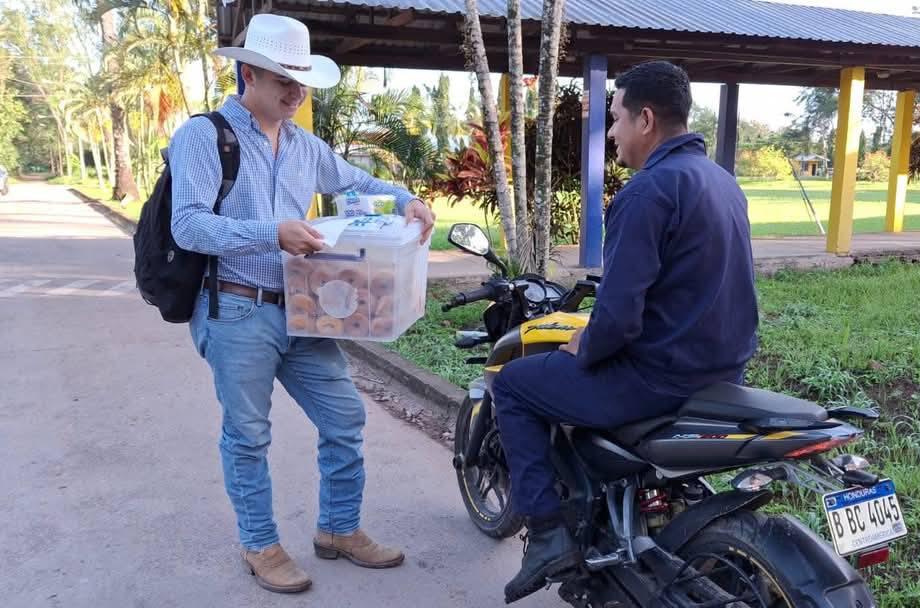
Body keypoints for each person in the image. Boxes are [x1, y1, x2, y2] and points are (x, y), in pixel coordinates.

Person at [169, 14, 434, 594]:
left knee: (344, 417)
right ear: (248, 74)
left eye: (302, 80)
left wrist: (408, 200)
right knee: (248, 434)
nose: (296, 92)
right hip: (236, 308)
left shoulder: (303, 145)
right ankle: (260, 544)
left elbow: (357, 183)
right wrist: (274, 233)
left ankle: (339, 529)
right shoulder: (204, 136)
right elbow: (187, 225)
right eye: (283, 79)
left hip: (305, 308)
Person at [491, 60, 759, 603]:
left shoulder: (646, 192)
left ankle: (546, 536)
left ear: (645, 119)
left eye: (614, 120)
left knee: (515, 385)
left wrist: (583, 343)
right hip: (723, 373)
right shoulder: (723, 183)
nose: (610, 133)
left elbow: (616, 319)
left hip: (658, 378)